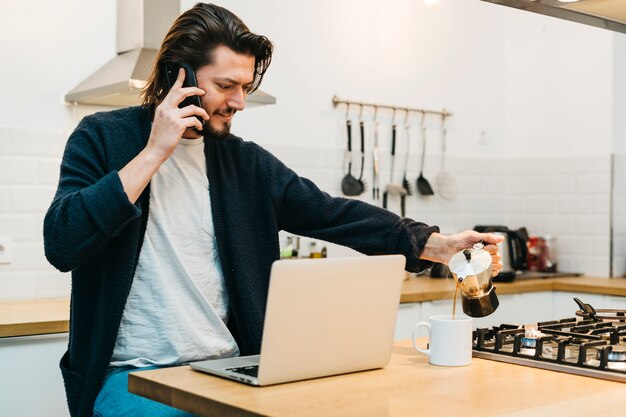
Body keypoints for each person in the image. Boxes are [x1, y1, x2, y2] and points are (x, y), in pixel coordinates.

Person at [43, 3, 503, 417]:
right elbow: (62, 242)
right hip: (131, 376)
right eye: (226, 86)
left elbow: (332, 213)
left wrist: (433, 244)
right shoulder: (101, 138)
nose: (240, 102)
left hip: (230, 370)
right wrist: (154, 152)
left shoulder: (245, 163)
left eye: (245, 86)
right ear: (175, 78)